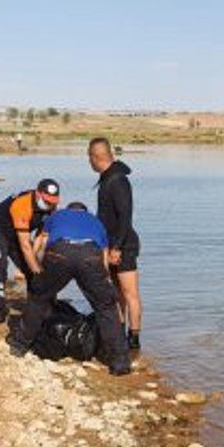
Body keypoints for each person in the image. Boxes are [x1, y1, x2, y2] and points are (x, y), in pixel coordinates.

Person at [9, 202, 131, 377]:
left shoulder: (56, 216)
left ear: (69, 209)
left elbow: (41, 241)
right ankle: (120, 363)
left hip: (59, 252)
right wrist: (104, 280)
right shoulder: (96, 222)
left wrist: (34, 269)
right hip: (90, 255)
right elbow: (104, 256)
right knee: (106, 308)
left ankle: (19, 345)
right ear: (84, 211)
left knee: (38, 299)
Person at [89, 137, 142, 350]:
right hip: (110, 245)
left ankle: (135, 339)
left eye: (89, 158)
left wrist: (117, 247)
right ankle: (118, 335)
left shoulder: (118, 180)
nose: (89, 163)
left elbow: (125, 216)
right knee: (116, 293)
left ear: (95, 157)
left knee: (130, 293)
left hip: (123, 245)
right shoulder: (107, 177)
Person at [0, 178, 60, 322]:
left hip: (18, 233)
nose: (50, 205)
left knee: (31, 268)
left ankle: (38, 305)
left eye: (53, 202)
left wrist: (36, 266)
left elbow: (40, 238)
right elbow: (25, 246)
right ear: (38, 194)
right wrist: (37, 270)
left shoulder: (52, 209)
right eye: (47, 201)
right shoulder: (22, 205)